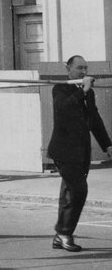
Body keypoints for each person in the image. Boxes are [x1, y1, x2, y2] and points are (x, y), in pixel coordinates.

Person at [47, 55, 112, 252]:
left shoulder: (88, 93)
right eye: (79, 68)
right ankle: (65, 232)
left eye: (85, 68)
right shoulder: (60, 88)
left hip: (81, 152)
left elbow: (94, 120)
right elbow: (63, 108)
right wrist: (83, 91)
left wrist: (107, 145)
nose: (83, 72)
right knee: (78, 191)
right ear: (69, 68)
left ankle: (60, 235)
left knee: (68, 192)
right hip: (63, 151)